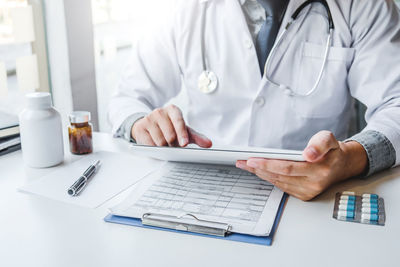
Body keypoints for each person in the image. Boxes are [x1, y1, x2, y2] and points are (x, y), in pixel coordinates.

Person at [108, 0, 400, 200]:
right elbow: (128, 98)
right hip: (204, 191)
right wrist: (140, 124)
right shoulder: (183, 8)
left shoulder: (362, 6)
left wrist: (350, 159)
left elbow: (396, 104)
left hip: (314, 196)